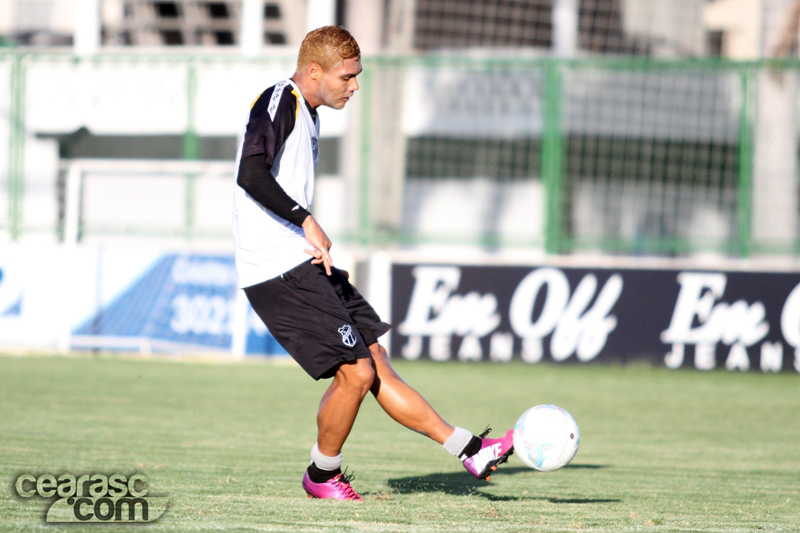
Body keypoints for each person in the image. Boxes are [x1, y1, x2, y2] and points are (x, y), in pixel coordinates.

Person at [232, 25, 513, 501]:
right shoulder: (281, 100)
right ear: (314, 71)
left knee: (375, 360)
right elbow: (250, 172)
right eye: (347, 76)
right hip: (277, 270)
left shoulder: (308, 112)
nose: (355, 86)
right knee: (356, 372)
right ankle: (321, 476)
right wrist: (305, 220)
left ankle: (470, 449)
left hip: (303, 263)